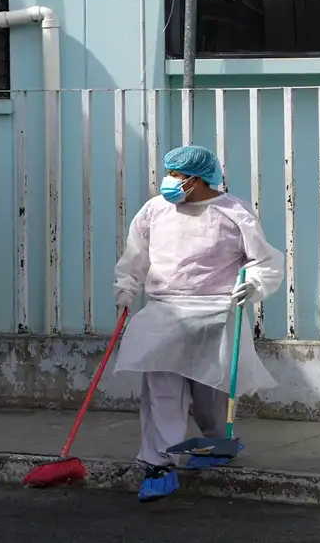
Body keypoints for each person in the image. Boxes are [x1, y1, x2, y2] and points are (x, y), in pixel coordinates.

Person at [112, 145, 284, 503]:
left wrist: (253, 284)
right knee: (161, 391)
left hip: (215, 314)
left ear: (199, 179)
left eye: (177, 175)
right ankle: (159, 466)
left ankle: (217, 444)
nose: (169, 180)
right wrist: (126, 287)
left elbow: (262, 259)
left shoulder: (233, 212)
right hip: (164, 312)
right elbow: (135, 255)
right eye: (169, 173)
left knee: (211, 394)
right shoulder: (155, 210)